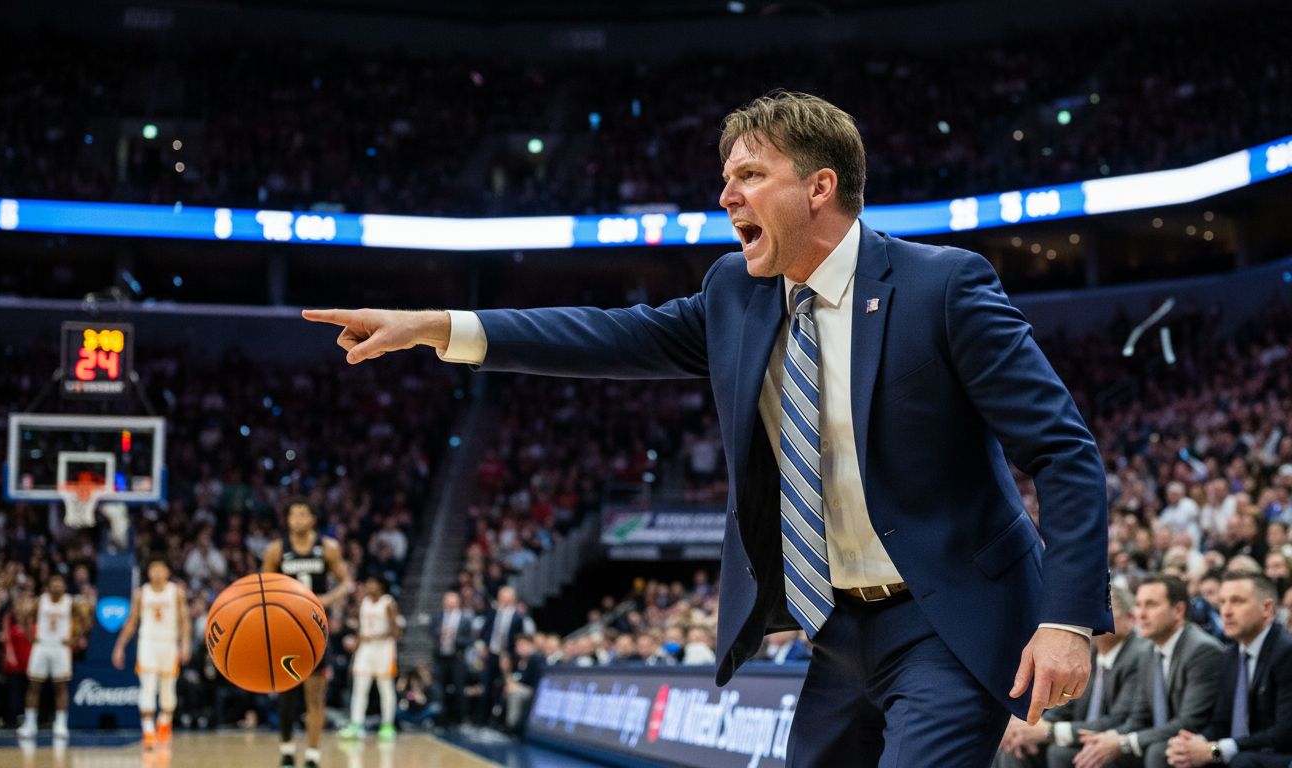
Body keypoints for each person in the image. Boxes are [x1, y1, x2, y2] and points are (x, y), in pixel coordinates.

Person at [302, 89, 1112, 767]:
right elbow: (607, 336)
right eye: (726, 178)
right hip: (836, 630)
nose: (726, 196)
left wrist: (1067, 619)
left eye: (750, 175)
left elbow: (1064, 452)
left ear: (820, 187)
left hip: (951, 619)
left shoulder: (943, 287)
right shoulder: (737, 292)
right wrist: (437, 327)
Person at [1060, 575, 1223, 768]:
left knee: (1157, 752)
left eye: (1151, 605)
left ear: (1178, 610)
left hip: (1199, 745)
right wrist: (1111, 738)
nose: (1141, 614)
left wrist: (1124, 742)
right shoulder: (1148, 652)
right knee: (1080, 753)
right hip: (1156, 740)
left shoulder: (1201, 650)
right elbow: (1139, 717)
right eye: (1138, 605)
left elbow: (1189, 722)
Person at [997, 585, 1148, 767]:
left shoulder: (1138, 655)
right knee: (1017, 747)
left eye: (1103, 611)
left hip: (1117, 740)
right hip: (1083, 734)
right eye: (1091, 611)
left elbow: (1119, 719)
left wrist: (1051, 731)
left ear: (1130, 618)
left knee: (1060, 753)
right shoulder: (1090, 654)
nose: (1094, 619)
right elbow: (1067, 705)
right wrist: (1031, 727)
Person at [1165, 571, 1292, 768]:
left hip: (1278, 755)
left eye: (1237, 601)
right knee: (1179, 756)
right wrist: (1195, 744)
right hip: (1243, 752)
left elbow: (1284, 733)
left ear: (1267, 608)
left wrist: (1215, 750)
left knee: (1242, 762)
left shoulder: (1286, 651)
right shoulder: (1230, 655)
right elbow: (1221, 723)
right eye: (1222, 602)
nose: (1226, 611)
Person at [262, 497, 354, 768]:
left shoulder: (327, 548)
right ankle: (287, 750)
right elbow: (263, 587)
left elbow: (346, 582)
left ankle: (313, 754)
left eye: (303, 514)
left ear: (313, 519)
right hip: (286, 630)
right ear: (287, 519)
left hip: (315, 632)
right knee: (287, 696)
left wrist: (326, 599)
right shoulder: (277, 550)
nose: (298, 519)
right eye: (293, 515)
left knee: (315, 695)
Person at [111, 557, 191, 749]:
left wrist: (185, 644)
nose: (157, 573)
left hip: (169, 643)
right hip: (148, 643)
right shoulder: (141, 593)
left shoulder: (176, 592)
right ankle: (147, 730)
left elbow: (184, 620)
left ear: (167, 572)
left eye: (160, 569)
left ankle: (164, 723)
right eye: (153, 569)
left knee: (168, 690)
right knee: (147, 687)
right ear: (148, 573)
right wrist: (119, 646)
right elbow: (131, 621)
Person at [18, 575, 90, 739]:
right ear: (48, 586)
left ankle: (61, 724)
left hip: (60, 646)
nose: (57, 586)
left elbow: (84, 620)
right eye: (54, 583)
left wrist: (75, 638)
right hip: (42, 645)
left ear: (64, 586)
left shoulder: (70, 602)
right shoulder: (41, 600)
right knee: (34, 686)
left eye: (60, 584)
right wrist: (30, 636)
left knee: (61, 687)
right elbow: (26, 617)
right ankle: (30, 724)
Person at [339, 576, 402, 742]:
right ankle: (356, 724)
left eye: (372, 583)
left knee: (385, 687)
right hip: (366, 647)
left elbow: (397, 631)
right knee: (360, 686)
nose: (369, 586)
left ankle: (387, 725)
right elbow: (360, 625)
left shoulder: (388, 602)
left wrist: (381, 634)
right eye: (368, 583)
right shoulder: (365, 602)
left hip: (383, 647)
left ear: (380, 585)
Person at [477, 585, 526, 727]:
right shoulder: (492, 613)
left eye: (506, 597)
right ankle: (482, 719)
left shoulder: (518, 617)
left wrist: (510, 656)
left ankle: (499, 721)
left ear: (512, 599)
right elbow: (484, 632)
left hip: (508, 657)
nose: (503, 600)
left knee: (504, 688)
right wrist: (483, 647)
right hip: (491, 654)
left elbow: (519, 639)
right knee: (486, 686)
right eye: (501, 597)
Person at [431, 590, 473, 727]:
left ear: (457, 603)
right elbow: (431, 631)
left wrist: (454, 639)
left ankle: (461, 718)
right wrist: (440, 634)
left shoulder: (465, 619)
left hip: (456, 658)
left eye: (452, 602)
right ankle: (440, 718)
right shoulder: (438, 616)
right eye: (447, 602)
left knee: (459, 688)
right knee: (438, 688)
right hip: (441, 657)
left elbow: (469, 640)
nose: (449, 605)